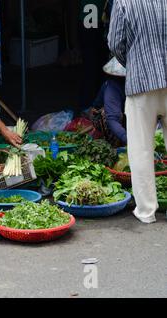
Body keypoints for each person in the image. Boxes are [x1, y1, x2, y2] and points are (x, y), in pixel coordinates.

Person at [108, 0, 167, 223]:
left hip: (141, 82)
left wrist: (133, 62)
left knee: (141, 149)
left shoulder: (124, 2)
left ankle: (146, 211)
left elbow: (114, 43)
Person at [90, 57, 127, 146]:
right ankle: (114, 144)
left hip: (123, 112)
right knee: (112, 115)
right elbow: (112, 118)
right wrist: (127, 139)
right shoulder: (112, 87)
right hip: (105, 116)